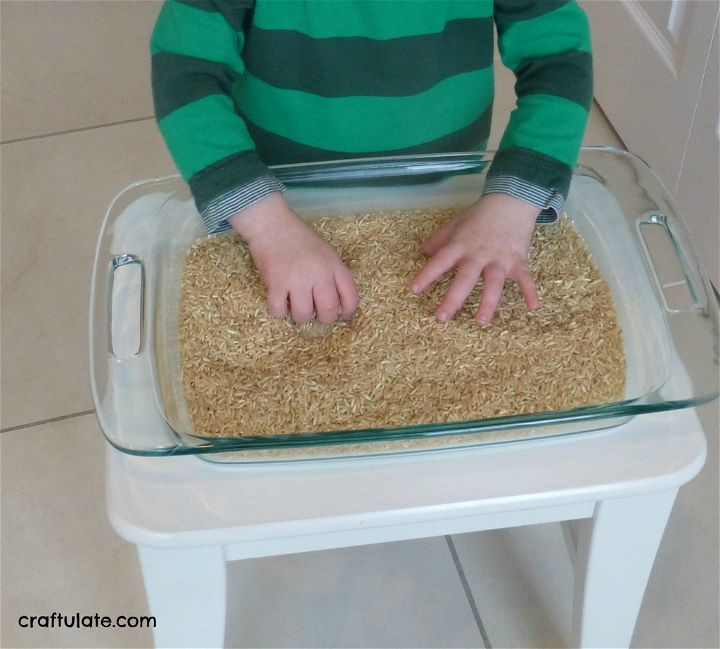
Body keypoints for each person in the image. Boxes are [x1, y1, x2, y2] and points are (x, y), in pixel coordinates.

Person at [151, 0, 593, 326]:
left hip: (442, 189)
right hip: (279, 193)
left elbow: (559, 59)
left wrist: (514, 200)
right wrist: (268, 227)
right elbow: (186, 77)